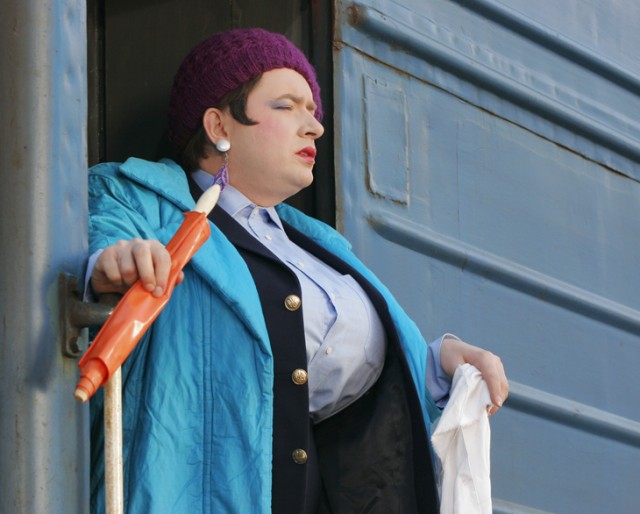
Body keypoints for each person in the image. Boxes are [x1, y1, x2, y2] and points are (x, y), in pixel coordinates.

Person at [87, 28, 508, 513]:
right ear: (219, 125)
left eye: (313, 111)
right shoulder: (135, 199)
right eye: (287, 106)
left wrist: (439, 361)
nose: (314, 128)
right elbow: (98, 251)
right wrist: (111, 265)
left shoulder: (320, 246)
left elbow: (345, 375)